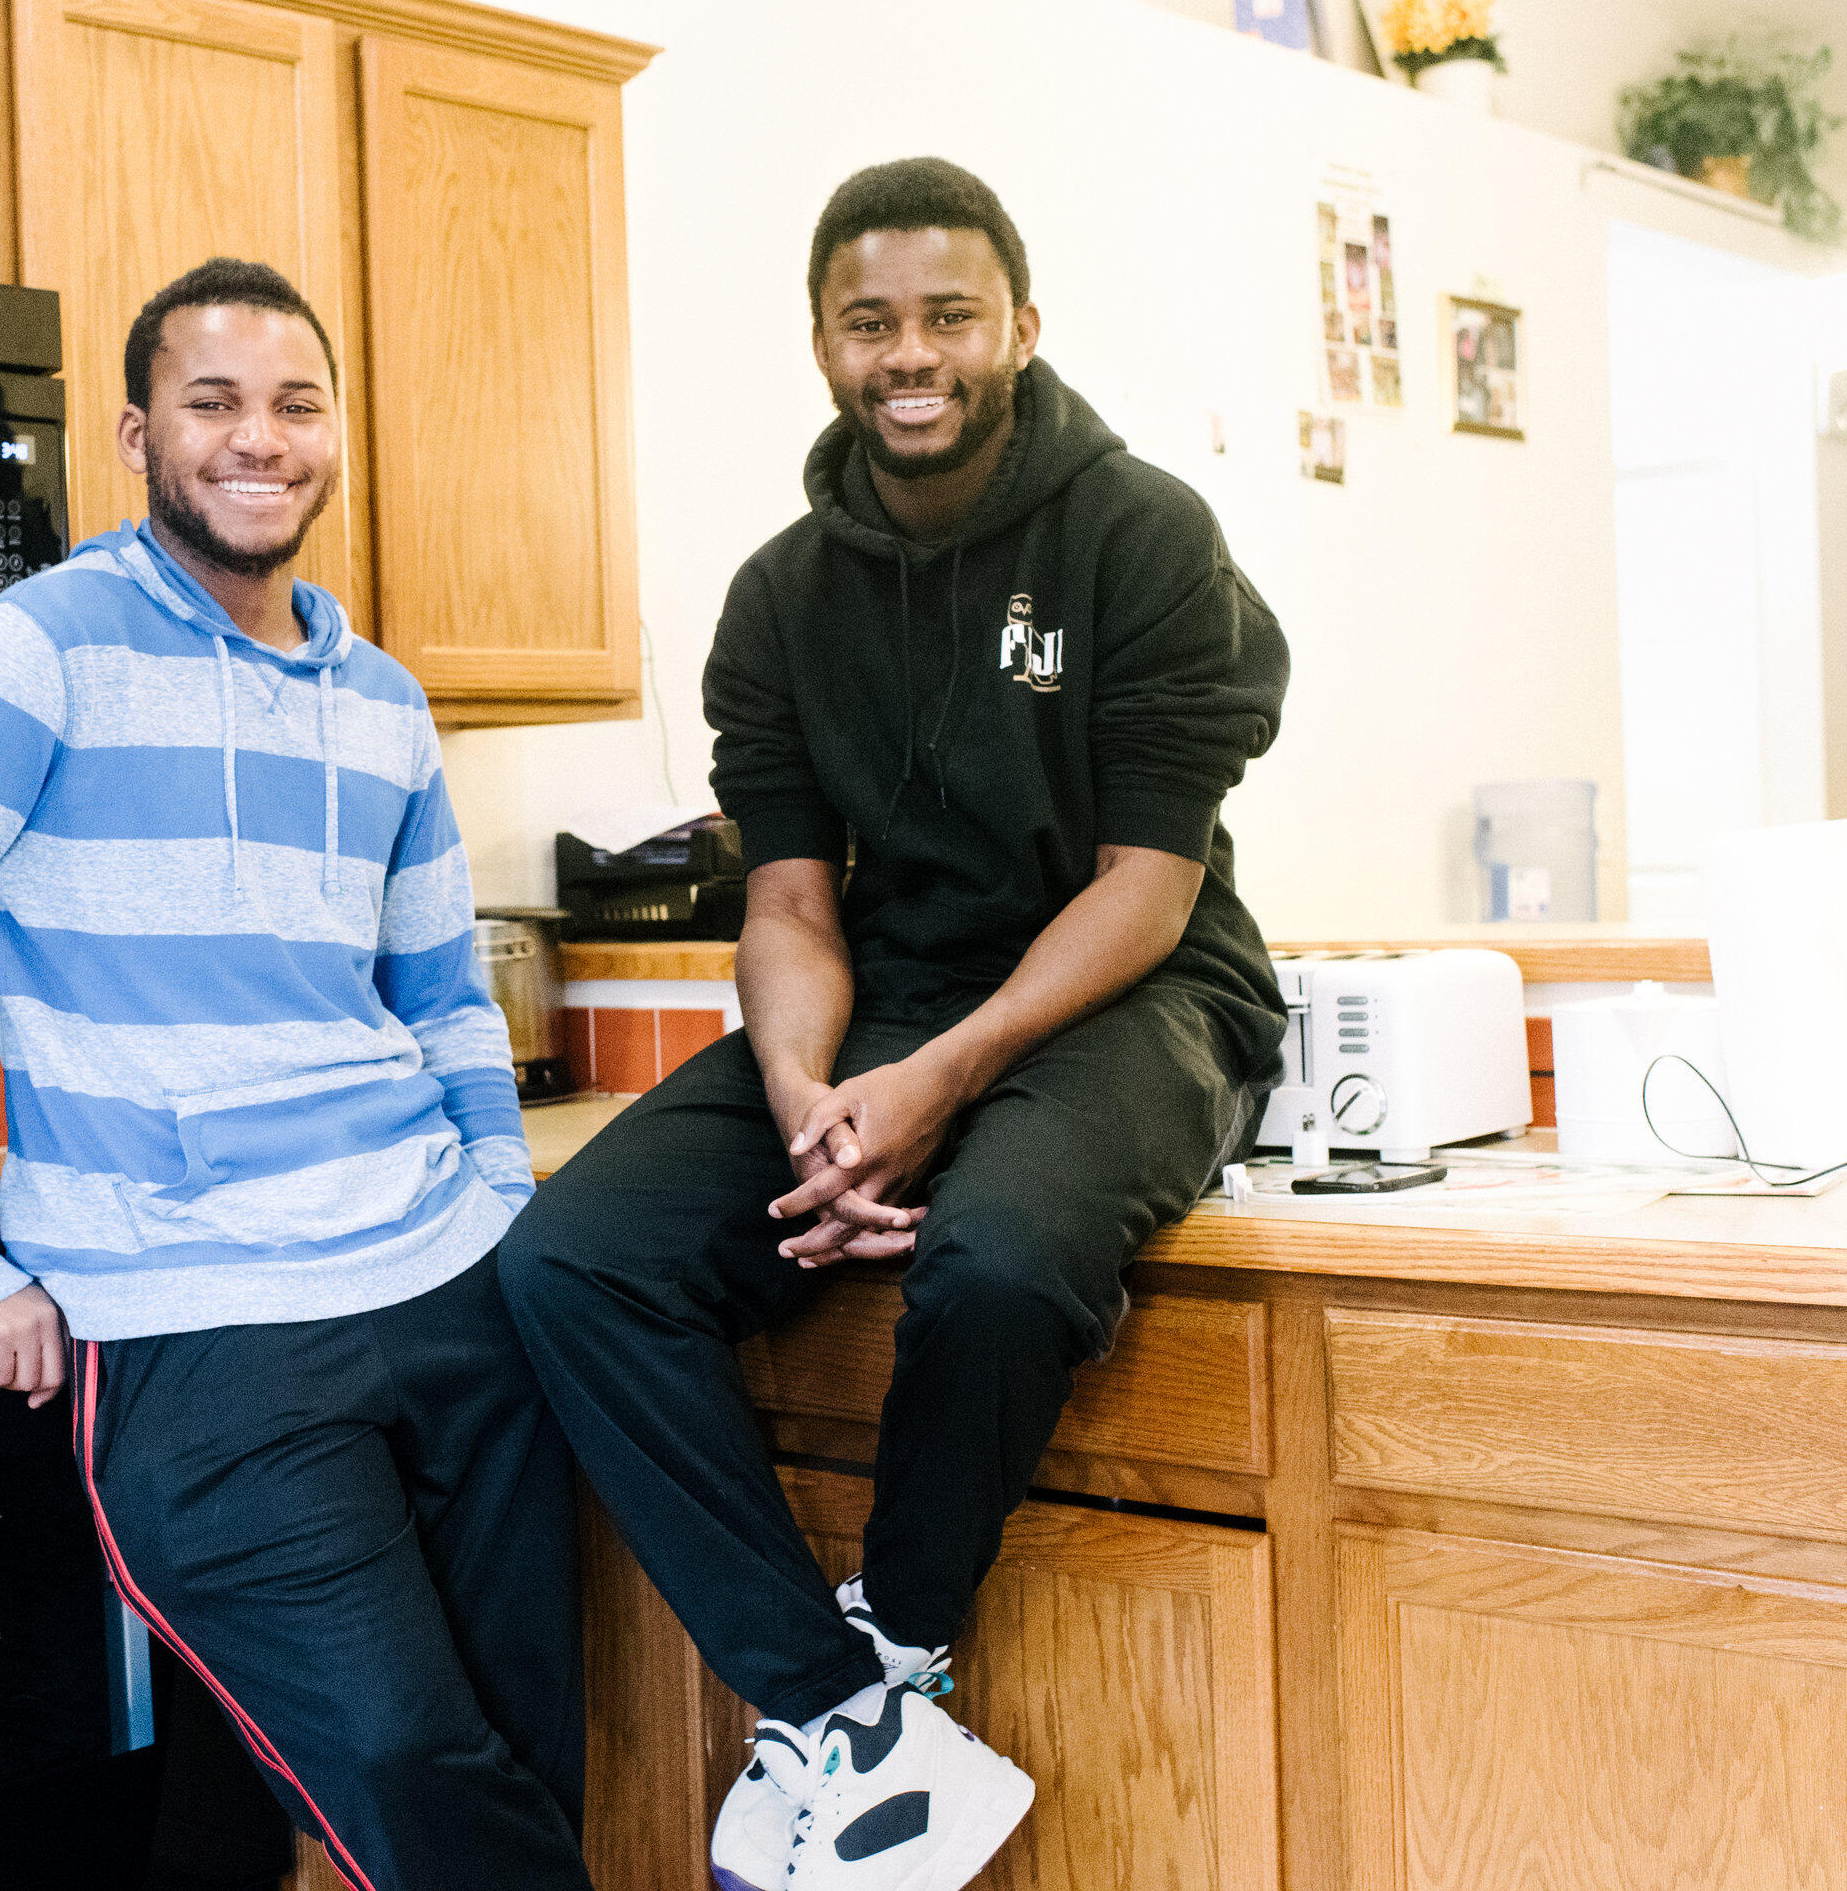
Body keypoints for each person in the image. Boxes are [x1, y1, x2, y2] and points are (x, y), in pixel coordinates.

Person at [498, 158, 1291, 1891]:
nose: (909, 353)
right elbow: (789, 901)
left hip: (1136, 986)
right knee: (569, 1260)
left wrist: (933, 1083)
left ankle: (909, 1629)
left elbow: (1146, 884)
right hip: (882, 998)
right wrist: (804, 1094)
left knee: (999, 1257)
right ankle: (845, 1721)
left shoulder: (1142, 537)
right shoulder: (782, 597)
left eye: (947, 314)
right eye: (871, 323)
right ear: (822, 345)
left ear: (1020, 323)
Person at [0, 257, 589, 1891]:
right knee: (406, 1762)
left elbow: (442, 992)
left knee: (517, 1746)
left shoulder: (382, 702)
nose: (259, 440)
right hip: (197, 1327)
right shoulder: (40, 651)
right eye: (213, 403)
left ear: (335, 434)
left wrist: (503, 1205)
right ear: (138, 432)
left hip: (444, 1278)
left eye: (296, 404)